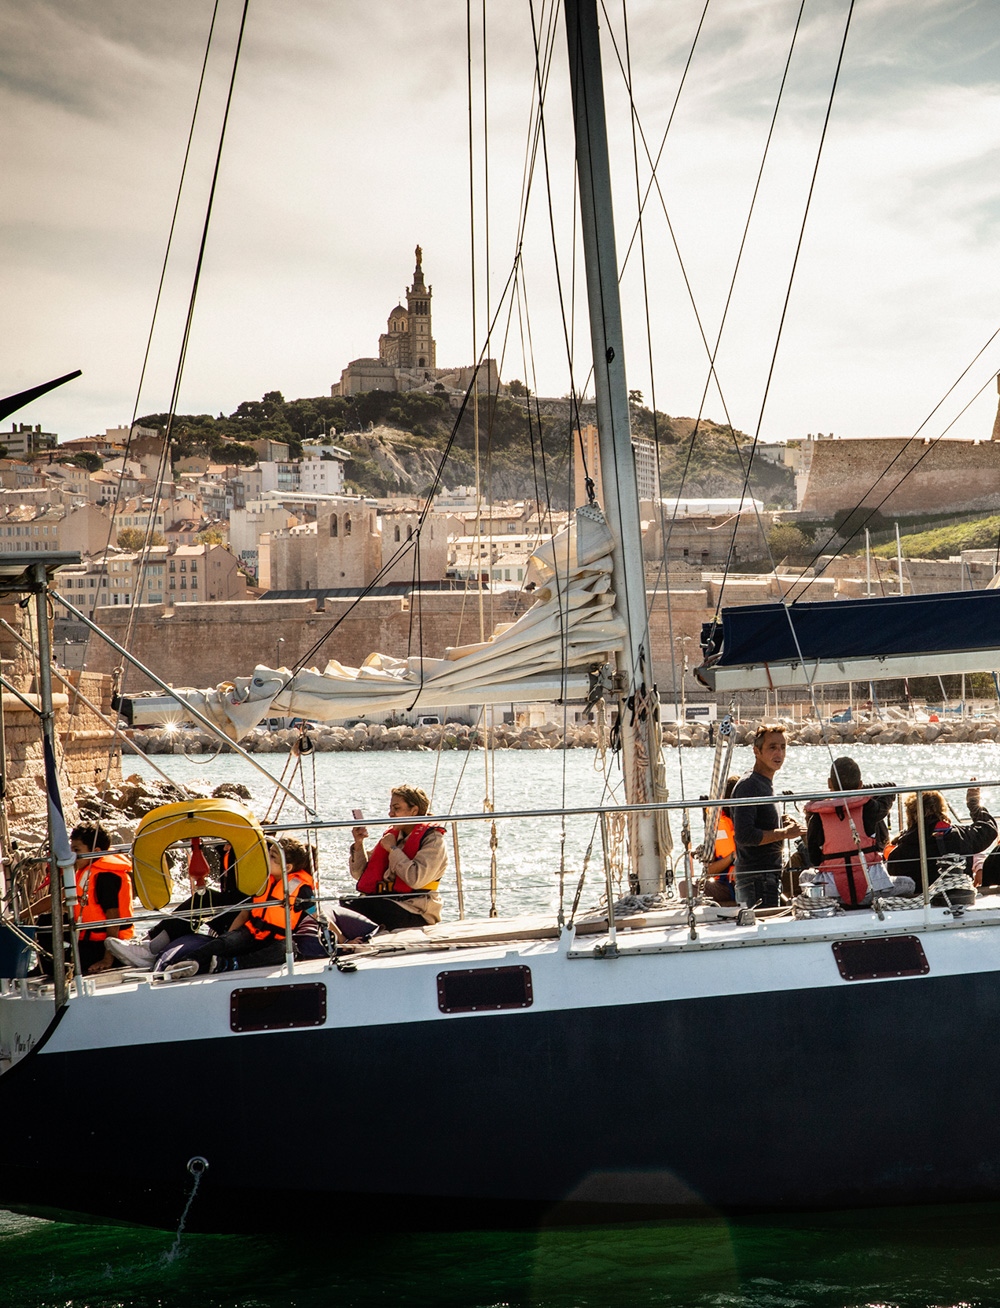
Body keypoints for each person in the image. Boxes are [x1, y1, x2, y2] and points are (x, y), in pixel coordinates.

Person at [169, 836, 316, 976]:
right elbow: (244, 912)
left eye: (273, 857)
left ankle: (232, 964)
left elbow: (316, 916)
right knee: (225, 942)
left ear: (287, 867)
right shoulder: (263, 881)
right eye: (269, 853)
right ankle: (185, 962)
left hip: (276, 940)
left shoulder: (301, 890)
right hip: (251, 931)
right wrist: (228, 938)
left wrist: (335, 937)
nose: (267, 858)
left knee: (285, 950)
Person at [106, 840, 248, 970]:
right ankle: (148, 941)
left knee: (204, 899)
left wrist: (228, 939)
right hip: (234, 913)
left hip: (244, 923)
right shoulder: (229, 850)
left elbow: (245, 905)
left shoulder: (253, 857)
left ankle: (151, 949)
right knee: (203, 898)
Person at [803, 757, 913, 906]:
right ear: (860, 785)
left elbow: (815, 858)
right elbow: (888, 795)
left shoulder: (817, 817)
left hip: (832, 894)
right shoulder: (869, 809)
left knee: (804, 876)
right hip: (871, 890)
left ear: (829, 783)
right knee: (909, 884)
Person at [342, 785, 446, 930]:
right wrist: (359, 844)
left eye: (396, 808)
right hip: (388, 903)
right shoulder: (393, 836)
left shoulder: (433, 841)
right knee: (346, 906)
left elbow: (415, 879)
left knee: (359, 912)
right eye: (391, 808)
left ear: (414, 811)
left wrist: (393, 849)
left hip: (415, 910)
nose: (390, 814)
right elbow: (360, 875)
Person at [37, 823, 135, 977]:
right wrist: (19, 916)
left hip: (102, 945)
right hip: (86, 936)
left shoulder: (106, 877)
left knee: (63, 961)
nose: (72, 855)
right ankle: (46, 967)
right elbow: (55, 898)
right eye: (71, 850)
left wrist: (107, 960)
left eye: (77, 850)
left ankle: (53, 971)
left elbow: (113, 918)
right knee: (44, 922)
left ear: (95, 852)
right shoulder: (87, 871)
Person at [731, 723, 804, 909]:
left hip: (767, 877)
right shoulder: (749, 786)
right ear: (756, 751)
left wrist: (782, 822)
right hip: (756, 878)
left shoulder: (764, 783)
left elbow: (761, 822)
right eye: (772, 747)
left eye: (782, 747)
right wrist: (784, 833)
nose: (778, 753)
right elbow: (744, 836)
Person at [887, 784, 997, 893]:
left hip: (920, 904)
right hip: (958, 897)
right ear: (942, 810)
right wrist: (974, 804)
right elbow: (989, 828)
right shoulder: (962, 836)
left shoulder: (897, 855)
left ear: (910, 814)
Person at [700, 776, 739, 904]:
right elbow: (709, 871)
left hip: (742, 883)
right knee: (687, 885)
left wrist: (739, 865)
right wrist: (732, 857)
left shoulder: (748, 822)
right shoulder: (717, 824)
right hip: (724, 884)